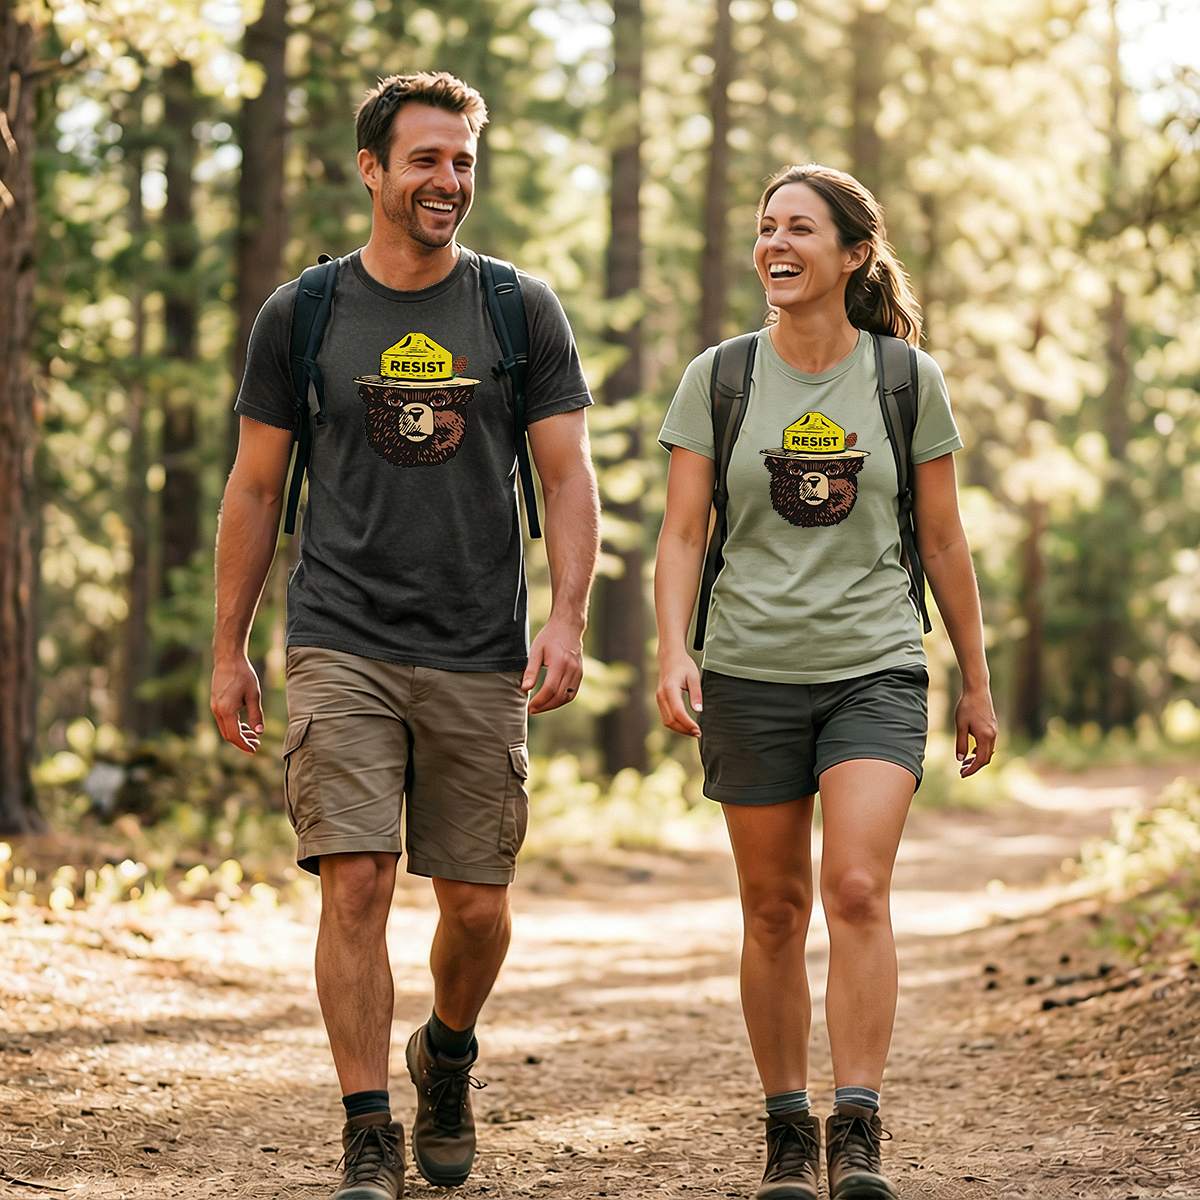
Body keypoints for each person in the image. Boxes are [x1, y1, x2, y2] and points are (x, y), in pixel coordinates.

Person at [210, 72, 600, 1200]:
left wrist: (567, 617)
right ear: (373, 169)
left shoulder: (519, 309)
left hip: (481, 643)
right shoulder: (306, 314)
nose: (449, 182)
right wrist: (229, 647)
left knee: (476, 907)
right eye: (426, 160)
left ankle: (447, 1053)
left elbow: (568, 478)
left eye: (463, 161)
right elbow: (254, 488)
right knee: (359, 880)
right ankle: (367, 1127)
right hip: (341, 632)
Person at [654, 164, 996, 1200]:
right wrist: (674, 649)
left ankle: (858, 1126)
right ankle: (786, 1132)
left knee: (854, 887)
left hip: (875, 667)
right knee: (771, 909)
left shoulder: (903, 378)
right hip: (750, 672)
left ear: (854, 255)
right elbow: (680, 535)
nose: (775, 244)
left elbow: (943, 539)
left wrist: (976, 681)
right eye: (765, 228)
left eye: (799, 228)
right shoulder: (720, 377)